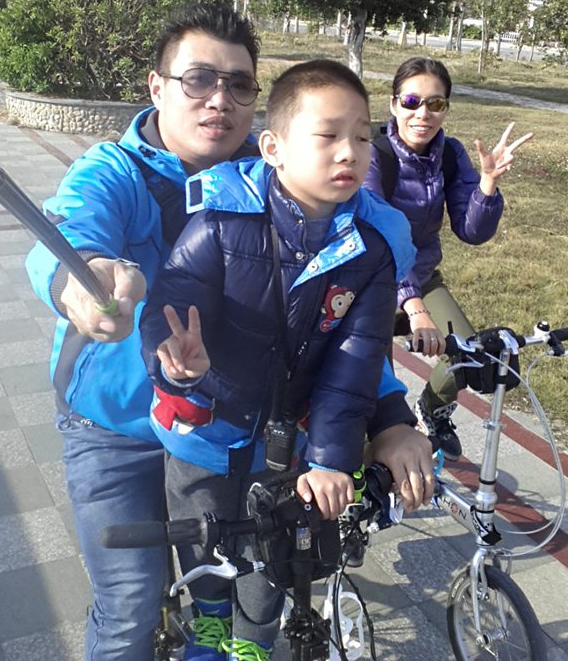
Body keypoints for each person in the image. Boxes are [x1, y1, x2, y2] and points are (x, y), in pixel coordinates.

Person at [24, 5, 433, 661]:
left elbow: (338, 319)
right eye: (198, 79)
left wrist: (389, 418)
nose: (220, 99)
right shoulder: (114, 172)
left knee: (253, 580)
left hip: (234, 432)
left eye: (239, 84)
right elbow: (68, 234)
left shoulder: (285, 184)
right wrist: (84, 281)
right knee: (131, 604)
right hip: (115, 427)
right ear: (157, 86)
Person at [140, 59, 418, 661]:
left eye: (362, 137)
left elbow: (354, 364)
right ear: (273, 149)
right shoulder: (221, 222)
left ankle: (254, 644)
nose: (349, 152)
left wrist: (331, 459)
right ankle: (209, 628)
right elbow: (171, 303)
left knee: (270, 556)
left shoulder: (370, 252)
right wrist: (173, 361)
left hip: (285, 443)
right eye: (328, 135)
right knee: (205, 546)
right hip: (203, 431)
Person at [363, 56, 533, 461]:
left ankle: (432, 409)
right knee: (376, 394)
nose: (423, 113)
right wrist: (415, 308)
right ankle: (367, 475)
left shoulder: (450, 154)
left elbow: (472, 232)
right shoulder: (374, 155)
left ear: (445, 109)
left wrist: (487, 185)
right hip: (372, 283)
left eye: (435, 104)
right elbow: (378, 239)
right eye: (411, 101)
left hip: (422, 276)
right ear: (393, 104)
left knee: (470, 355)